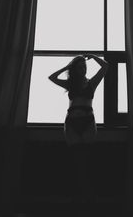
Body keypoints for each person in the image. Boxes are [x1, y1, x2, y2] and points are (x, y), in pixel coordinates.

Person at [48, 53, 108, 202]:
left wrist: (93, 56)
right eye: (80, 67)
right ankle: (79, 193)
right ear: (75, 69)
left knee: (86, 158)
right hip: (72, 122)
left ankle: (87, 193)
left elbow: (105, 66)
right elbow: (52, 77)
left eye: (84, 67)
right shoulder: (70, 84)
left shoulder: (91, 83)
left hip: (88, 121)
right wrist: (67, 67)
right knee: (76, 158)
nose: (83, 69)